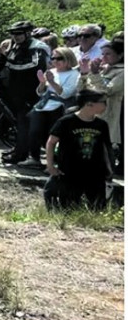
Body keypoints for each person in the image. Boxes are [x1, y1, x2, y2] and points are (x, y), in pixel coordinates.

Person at [44, 89, 113, 210]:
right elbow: (51, 143)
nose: (105, 105)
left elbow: (105, 148)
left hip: (94, 174)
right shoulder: (66, 122)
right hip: (69, 173)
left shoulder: (102, 125)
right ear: (89, 104)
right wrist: (50, 166)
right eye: (103, 102)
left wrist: (109, 170)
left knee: (95, 208)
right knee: (66, 207)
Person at [0, 21, 49, 164]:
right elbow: (5, 65)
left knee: (25, 123)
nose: (15, 36)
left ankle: (21, 154)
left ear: (28, 33)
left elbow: (36, 66)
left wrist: (9, 63)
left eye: (18, 33)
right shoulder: (16, 46)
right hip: (15, 90)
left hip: (31, 91)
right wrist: (0, 57)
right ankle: (19, 148)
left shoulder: (38, 47)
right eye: (13, 33)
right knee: (19, 122)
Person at [21, 47, 80, 167]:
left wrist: (52, 82)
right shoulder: (51, 71)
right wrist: (42, 83)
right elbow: (40, 92)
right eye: (53, 58)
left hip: (59, 107)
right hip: (44, 105)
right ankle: (34, 158)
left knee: (52, 136)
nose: (55, 61)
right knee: (34, 131)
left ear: (68, 59)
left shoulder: (74, 74)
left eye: (60, 58)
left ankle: (52, 163)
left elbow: (66, 94)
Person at [79, 40, 124, 174]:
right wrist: (85, 73)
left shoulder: (122, 72)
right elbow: (83, 89)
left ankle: (109, 174)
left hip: (113, 112)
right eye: (102, 54)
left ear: (120, 55)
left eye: (108, 54)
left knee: (107, 144)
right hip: (94, 111)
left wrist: (95, 74)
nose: (103, 58)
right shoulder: (102, 69)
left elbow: (107, 91)